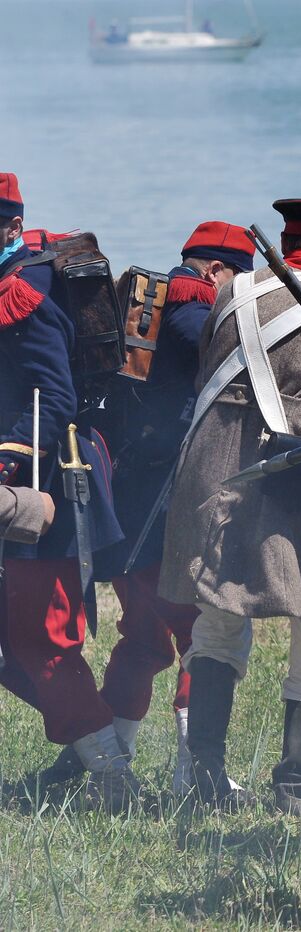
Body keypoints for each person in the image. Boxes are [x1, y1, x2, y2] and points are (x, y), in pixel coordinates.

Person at [159, 198, 301, 813]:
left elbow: (211, 374)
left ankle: (204, 777)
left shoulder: (233, 293)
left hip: (210, 467)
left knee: (219, 620)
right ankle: (299, 784)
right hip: (286, 473)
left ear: (287, 239)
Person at [39, 223, 259, 795]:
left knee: (142, 639)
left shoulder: (151, 300)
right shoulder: (192, 305)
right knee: (195, 633)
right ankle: (192, 773)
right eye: (238, 276)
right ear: (215, 270)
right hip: (165, 504)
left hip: (134, 495)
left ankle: (107, 761)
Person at [0, 172, 134, 810]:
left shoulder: (23, 296)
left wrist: (5, 467)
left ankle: (115, 779)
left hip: (36, 487)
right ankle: (96, 741)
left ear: (10, 226)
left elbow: (50, 402)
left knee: (42, 639)